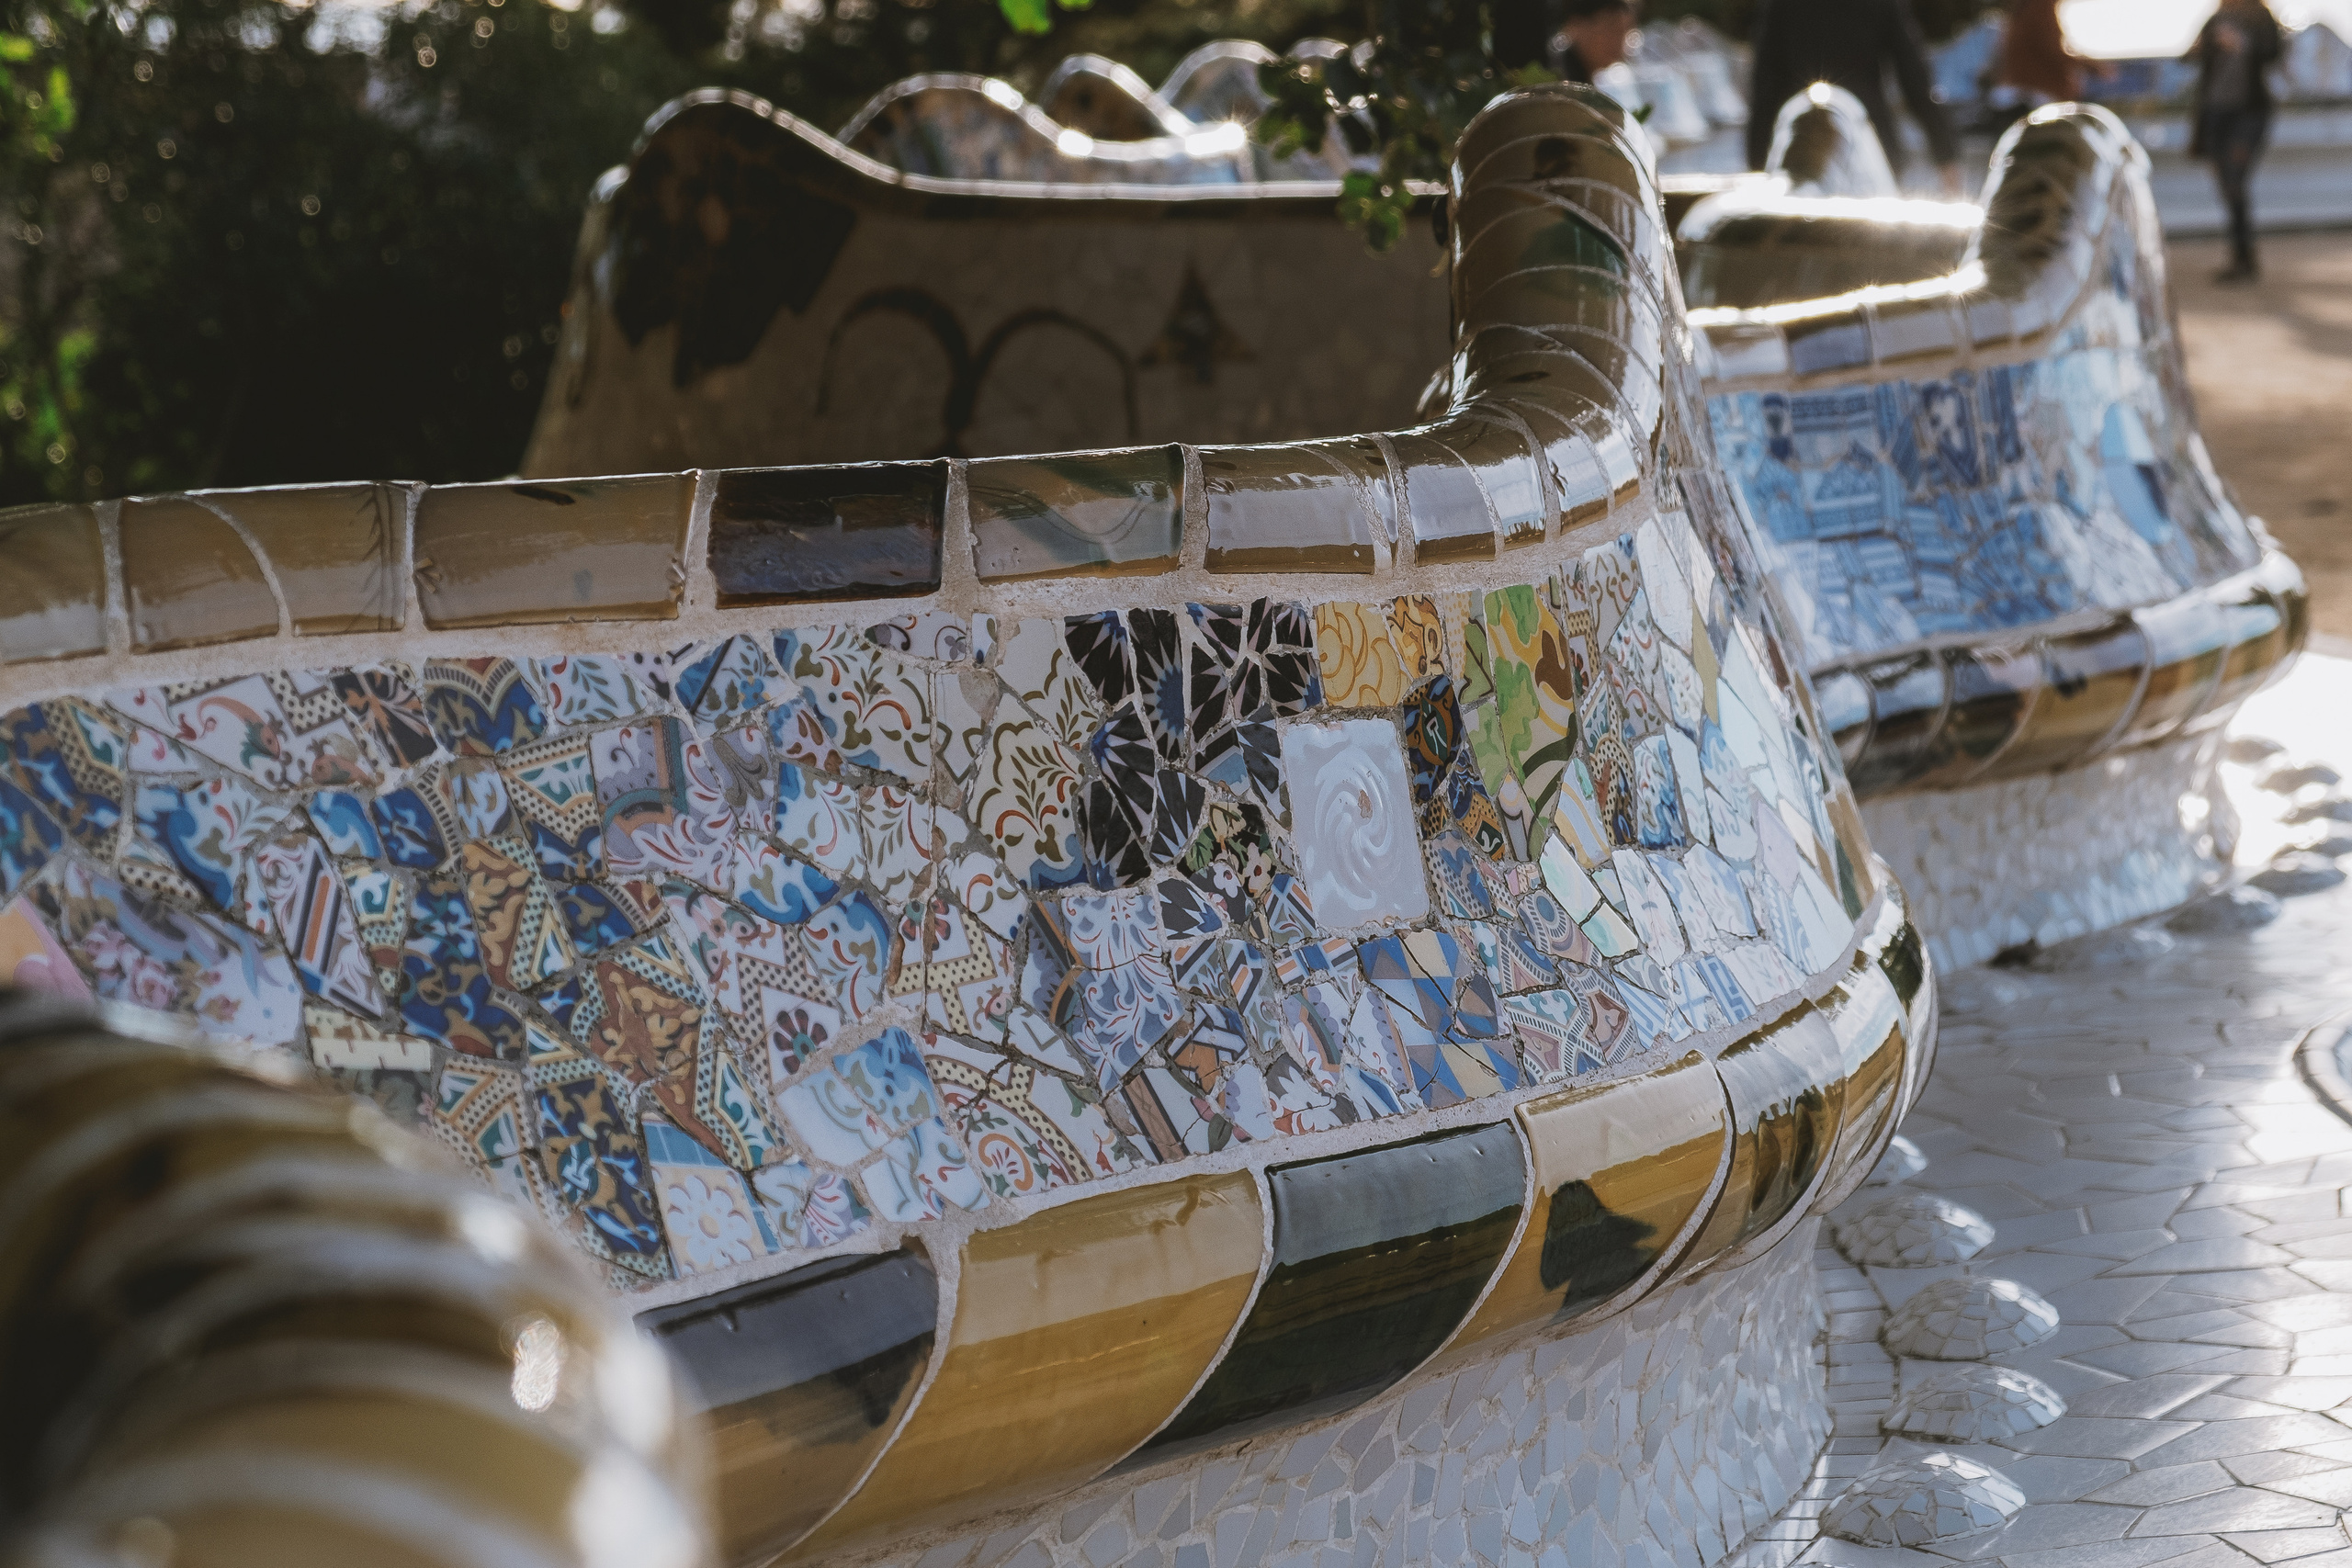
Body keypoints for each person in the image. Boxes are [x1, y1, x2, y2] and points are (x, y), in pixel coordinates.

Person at [1744, 0, 1962, 193]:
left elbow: (1764, 92)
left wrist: (1757, 170)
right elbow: (1915, 83)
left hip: (1800, 151)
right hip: (1873, 151)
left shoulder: (1781, 5)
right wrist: (1947, 161)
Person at [2188, 0, 2284, 283]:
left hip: (2248, 113)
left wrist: (2243, 43)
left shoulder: (2260, 16)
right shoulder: (2216, 17)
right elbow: (2192, 57)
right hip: (2216, 114)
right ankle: (2241, 256)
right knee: (2226, 184)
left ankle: (2244, 258)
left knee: (2234, 179)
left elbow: (2274, 53)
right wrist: (2204, 47)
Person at [1493, 0, 1635, 85]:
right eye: (1610, 28)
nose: (1618, 41)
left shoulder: (1610, 82)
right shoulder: (1554, 81)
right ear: (1575, 25)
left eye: (1624, 31)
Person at [1996, 0, 2108, 106]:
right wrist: (2091, 67)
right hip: (2034, 93)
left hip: (2020, 89)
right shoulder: (2040, 5)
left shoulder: (2029, 7)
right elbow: (2052, 51)